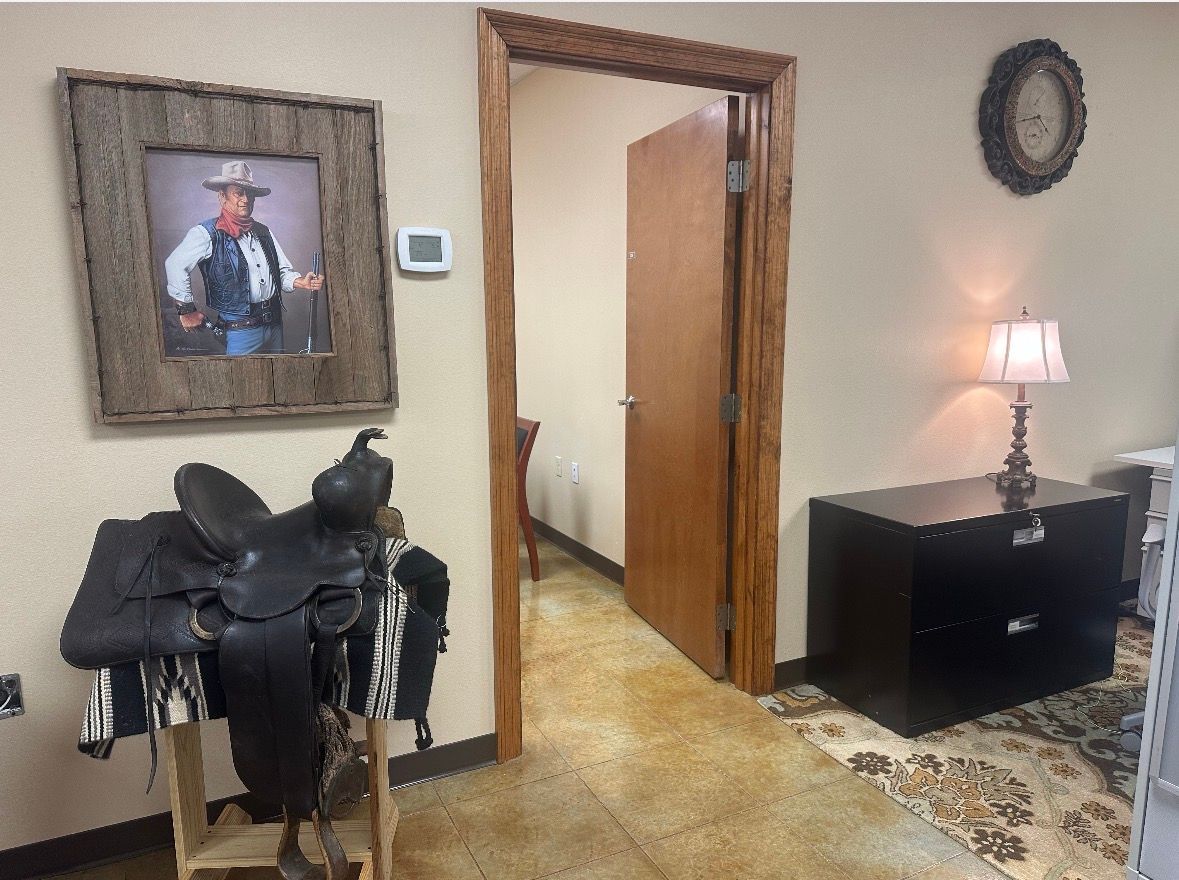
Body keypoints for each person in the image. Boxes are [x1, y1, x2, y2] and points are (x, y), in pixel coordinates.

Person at [164, 160, 323, 355]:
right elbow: (174, 265)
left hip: (274, 326)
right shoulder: (205, 232)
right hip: (240, 331)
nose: (246, 199)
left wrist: (301, 282)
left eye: (250, 194)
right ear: (222, 197)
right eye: (238, 193)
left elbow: (280, 272)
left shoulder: (264, 231)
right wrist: (186, 310)